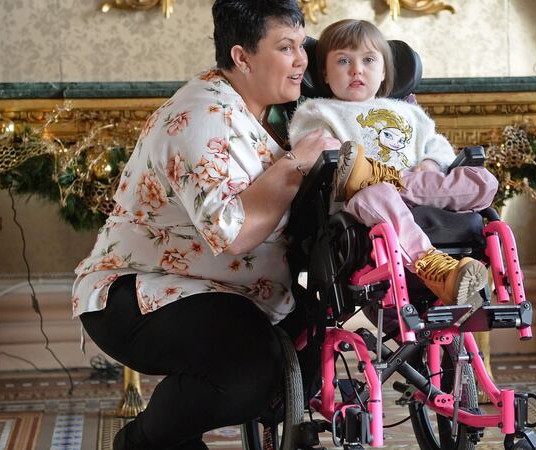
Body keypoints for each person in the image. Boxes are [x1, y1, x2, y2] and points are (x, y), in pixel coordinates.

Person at [72, 1, 340, 448]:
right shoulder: (201, 116)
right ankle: (140, 442)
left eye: (301, 45)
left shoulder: (266, 108)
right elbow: (233, 233)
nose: (301, 60)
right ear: (242, 57)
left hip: (222, 290)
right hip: (139, 292)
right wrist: (297, 163)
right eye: (286, 47)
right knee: (249, 368)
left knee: (312, 345)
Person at [289, 19, 499, 309]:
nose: (356, 69)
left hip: (417, 188)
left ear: (384, 71)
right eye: (343, 60)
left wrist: (431, 162)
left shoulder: (406, 111)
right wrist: (351, 165)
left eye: (368, 60)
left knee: (484, 180)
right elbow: (314, 152)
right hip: (364, 202)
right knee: (378, 192)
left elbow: (437, 145)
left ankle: (400, 184)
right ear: (324, 72)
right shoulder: (318, 111)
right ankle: (434, 267)